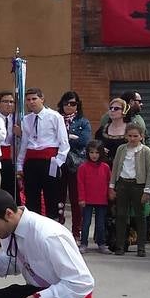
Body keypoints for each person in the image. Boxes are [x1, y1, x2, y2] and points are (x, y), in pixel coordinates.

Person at [16, 88, 69, 221]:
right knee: (32, 197)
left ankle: (53, 223)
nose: (31, 102)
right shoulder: (27, 119)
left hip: (49, 160)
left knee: (52, 196)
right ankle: (34, 224)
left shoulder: (55, 116)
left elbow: (63, 141)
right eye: (28, 100)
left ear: (42, 99)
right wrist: (19, 164)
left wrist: (58, 161)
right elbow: (24, 143)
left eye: (34, 99)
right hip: (31, 161)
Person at [109, 124, 150, 257]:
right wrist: (112, 186)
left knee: (139, 216)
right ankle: (120, 246)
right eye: (130, 136)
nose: (133, 138)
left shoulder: (145, 151)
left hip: (138, 185)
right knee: (121, 215)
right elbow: (115, 167)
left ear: (141, 136)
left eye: (136, 136)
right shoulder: (121, 149)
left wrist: (147, 190)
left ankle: (141, 247)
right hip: (122, 184)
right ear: (125, 136)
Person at [57, 91, 91, 239]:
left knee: (76, 198)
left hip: (76, 164)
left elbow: (84, 141)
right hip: (58, 162)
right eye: (66, 103)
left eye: (73, 103)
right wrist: (70, 137)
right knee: (58, 197)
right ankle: (58, 227)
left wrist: (65, 137)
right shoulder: (56, 119)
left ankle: (76, 231)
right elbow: (52, 139)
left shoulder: (83, 121)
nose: (69, 106)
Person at [76, 141, 112, 254]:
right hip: (87, 200)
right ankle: (83, 243)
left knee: (100, 224)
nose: (94, 155)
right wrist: (81, 198)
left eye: (97, 152)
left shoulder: (105, 167)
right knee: (86, 223)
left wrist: (110, 194)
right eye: (91, 152)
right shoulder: (83, 167)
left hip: (101, 200)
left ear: (101, 153)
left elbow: (109, 182)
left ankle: (101, 243)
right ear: (87, 153)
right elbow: (80, 184)